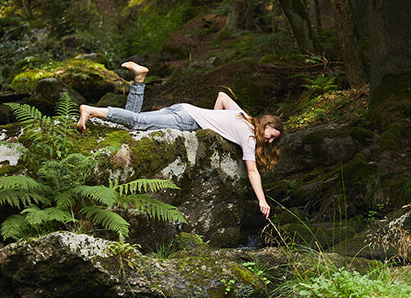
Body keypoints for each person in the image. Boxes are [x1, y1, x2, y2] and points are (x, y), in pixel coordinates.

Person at [76, 61, 283, 218]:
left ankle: (139, 79)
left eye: (273, 140)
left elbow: (222, 96)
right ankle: (91, 110)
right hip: (187, 121)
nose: (270, 141)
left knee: (132, 127)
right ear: (266, 125)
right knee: (138, 123)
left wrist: (211, 123)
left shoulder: (244, 117)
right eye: (271, 135)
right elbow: (252, 170)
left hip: (184, 108)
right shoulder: (248, 136)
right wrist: (262, 201)